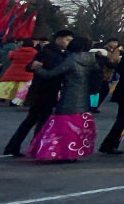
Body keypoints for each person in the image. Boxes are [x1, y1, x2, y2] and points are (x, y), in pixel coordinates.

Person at [25, 37, 101, 162]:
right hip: (84, 96)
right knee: (78, 126)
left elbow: (51, 74)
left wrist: (37, 68)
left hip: (69, 95)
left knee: (63, 126)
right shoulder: (91, 59)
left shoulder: (70, 60)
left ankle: (62, 152)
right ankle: (74, 152)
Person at [5, 29, 73, 157]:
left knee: (32, 120)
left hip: (43, 90)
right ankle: (34, 147)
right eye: (67, 39)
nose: (69, 42)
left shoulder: (55, 51)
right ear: (58, 39)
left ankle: (16, 146)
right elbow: (48, 69)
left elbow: (31, 66)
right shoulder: (50, 52)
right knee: (39, 120)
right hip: (44, 90)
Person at [0, 40, 37, 106]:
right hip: (27, 73)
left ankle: (11, 100)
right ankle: (20, 101)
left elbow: (9, 57)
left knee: (13, 88)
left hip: (13, 71)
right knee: (22, 88)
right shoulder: (35, 53)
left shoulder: (15, 52)